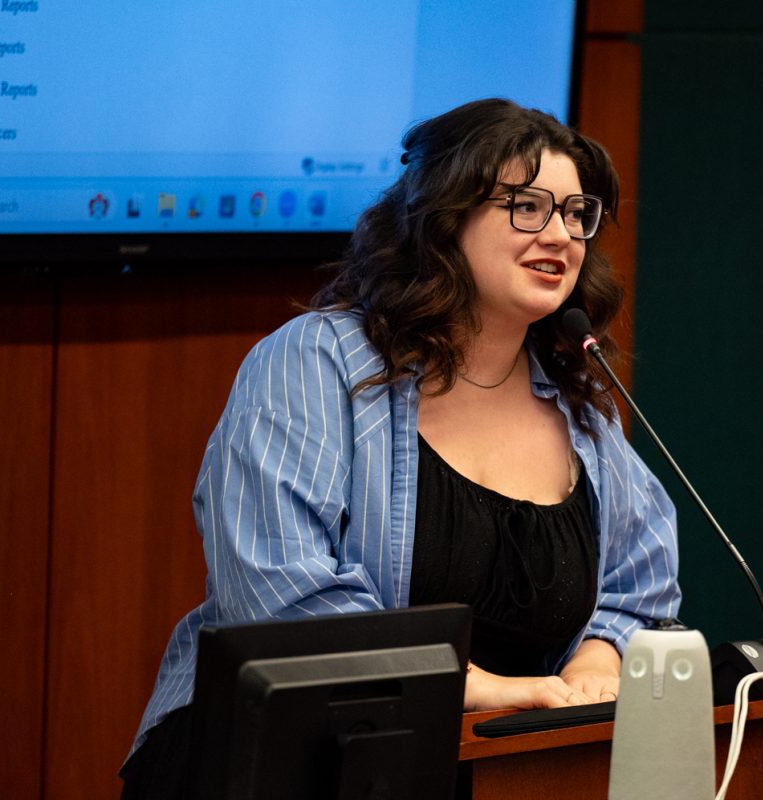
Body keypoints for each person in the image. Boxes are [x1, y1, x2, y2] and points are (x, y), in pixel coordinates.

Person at [120, 98, 680, 796]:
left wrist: (596, 666)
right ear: (445, 217)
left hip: (492, 771)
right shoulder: (319, 362)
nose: (562, 235)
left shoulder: (582, 407)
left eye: (576, 213)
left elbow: (640, 583)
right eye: (527, 205)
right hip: (285, 766)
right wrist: (473, 688)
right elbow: (279, 588)